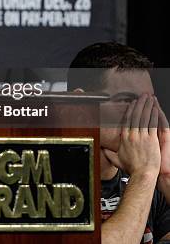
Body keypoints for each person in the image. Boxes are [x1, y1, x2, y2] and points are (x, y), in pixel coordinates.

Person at [68, 42, 170, 244]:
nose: (143, 114)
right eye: (126, 100)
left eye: (147, 102)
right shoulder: (46, 178)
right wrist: (143, 174)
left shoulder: (156, 181)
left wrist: (166, 177)